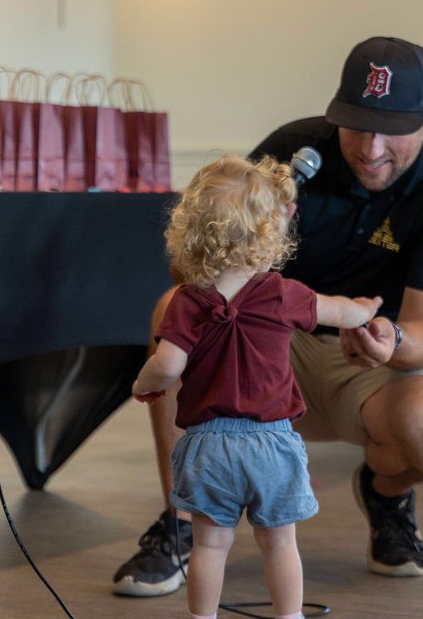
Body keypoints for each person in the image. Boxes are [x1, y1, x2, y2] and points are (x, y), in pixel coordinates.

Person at [113, 36, 423, 598]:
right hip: (269, 343)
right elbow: (190, 271)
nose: (371, 147)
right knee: (174, 312)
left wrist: (390, 339)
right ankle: (181, 521)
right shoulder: (292, 154)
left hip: (369, 356)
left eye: (392, 128)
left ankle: (385, 495)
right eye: (357, 124)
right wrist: (256, 233)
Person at [131, 154, 381, 619]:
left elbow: (167, 363)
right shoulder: (283, 293)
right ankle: (289, 616)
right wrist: (366, 309)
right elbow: (340, 312)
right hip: (272, 442)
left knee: (209, 544)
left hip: (209, 445)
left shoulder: (187, 302)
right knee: (280, 542)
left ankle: (202, 618)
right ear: (270, 232)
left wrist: (145, 384)